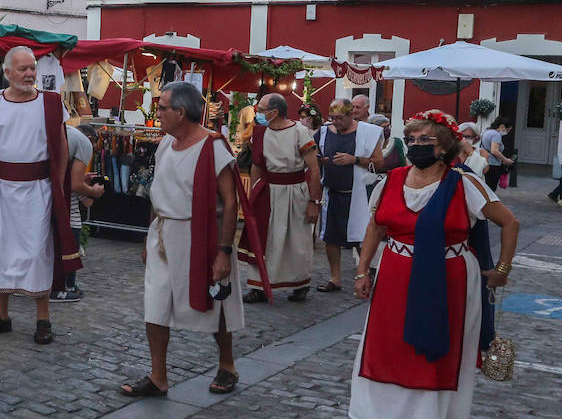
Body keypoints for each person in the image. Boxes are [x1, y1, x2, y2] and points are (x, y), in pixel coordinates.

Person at [350, 111, 519, 419]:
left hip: (448, 276)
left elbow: (510, 223)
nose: (416, 146)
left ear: (445, 147)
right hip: (395, 271)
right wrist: (362, 270)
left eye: (426, 140)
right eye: (412, 140)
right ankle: (388, 417)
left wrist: (502, 268)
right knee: (390, 345)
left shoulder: (464, 184)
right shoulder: (392, 179)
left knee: (430, 349)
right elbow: (376, 228)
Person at [123, 82, 267, 397]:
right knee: (155, 304)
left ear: (181, 112)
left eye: (162, 108)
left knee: (214, 305)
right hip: (163, 234)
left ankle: (227, 365)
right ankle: (158, 375)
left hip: (200, 235)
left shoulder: (213, 147)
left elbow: (230, 202)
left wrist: (223, 252)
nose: (157, 113)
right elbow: (157, 193)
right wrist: (151, 234)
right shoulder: (164, 145)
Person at [0, 46, 81, 344]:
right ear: (7, 73)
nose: (30, 74)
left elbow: (61, 147)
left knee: (36, 253)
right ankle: (1, 316)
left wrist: (55, 186)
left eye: (32, 68)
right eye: (23, 69)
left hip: (37, 191)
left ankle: (43, 320)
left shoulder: (51, 104)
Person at [241, 93, 322, 303]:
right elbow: (257, 165)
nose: (257, 113)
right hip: (267, 191)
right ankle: (257, 284)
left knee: (296, 239)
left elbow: (314, 169)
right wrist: (252, 196)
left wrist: (314, 202)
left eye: (261, 109)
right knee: (261, 237)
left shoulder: (299, 132)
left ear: (274, 112)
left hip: (294, 191)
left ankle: (300, 283)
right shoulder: (259, 133)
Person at [315, 99, 385, 292]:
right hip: (332, 192)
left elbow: (379, 163)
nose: (335, 122)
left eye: (339, 118)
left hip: (358, 193)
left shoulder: (367, 133)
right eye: (332, 118)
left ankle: (365, 273)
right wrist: (319, 160)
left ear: (351, 115)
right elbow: (313, 154)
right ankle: (335, 278)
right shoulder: (323, 132)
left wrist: (354, 159)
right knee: (331, 236)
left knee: (361, 236)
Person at [53, 124, 104, 302]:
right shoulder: (82, 144)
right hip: (70, 217)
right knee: (69, 252)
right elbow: (83, 195)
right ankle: (67, 286)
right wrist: (94, 190)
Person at [479, 117, 515, 191]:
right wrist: (506, 160)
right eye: (507, 130)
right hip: (493, 165)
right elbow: (494, 150)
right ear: (502, 126)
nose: (507, 132)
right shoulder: (496, 135)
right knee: (491, 190)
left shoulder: (486, 131)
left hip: (484, 162)